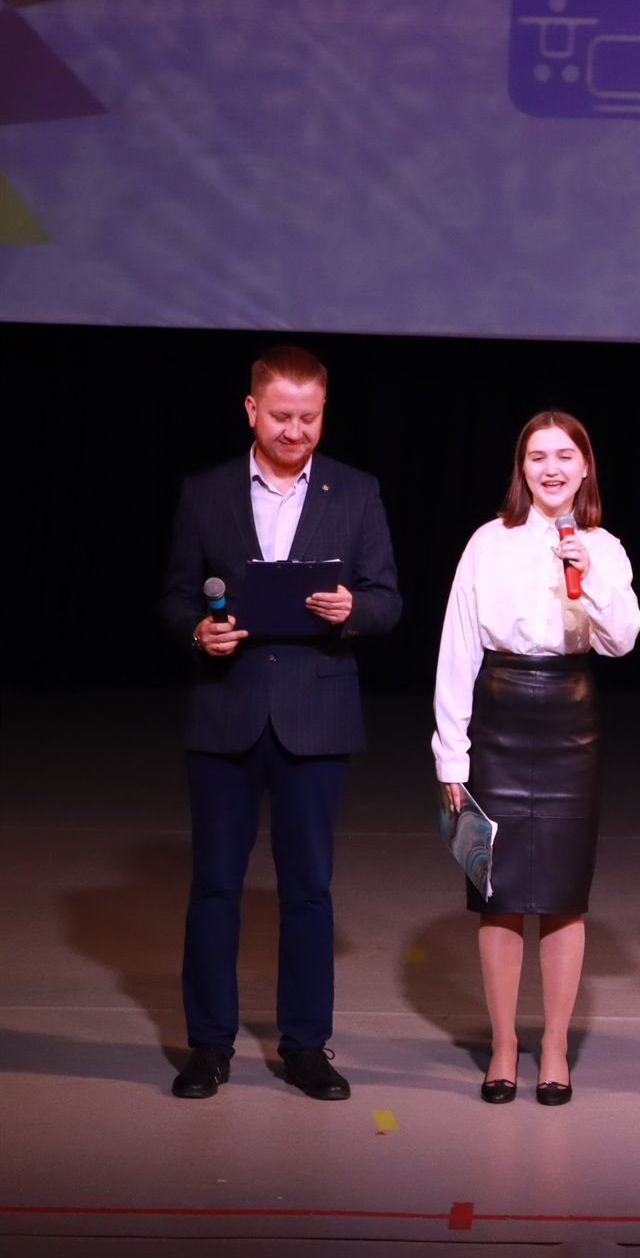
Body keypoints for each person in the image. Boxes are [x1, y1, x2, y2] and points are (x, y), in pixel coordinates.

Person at [160, 345, 402, 1101]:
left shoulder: (355, 491)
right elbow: (174, 597)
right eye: (281, 416)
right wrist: (197, 631)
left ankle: (305, 1047)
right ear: (251, 410)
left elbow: (387, 599)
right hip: (225, 710)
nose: (296, 431)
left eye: (310, 417)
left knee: (308, 890)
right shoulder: (205, 492)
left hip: (315, 716)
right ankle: (209, 1045)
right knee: (214, 887)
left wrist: (352, 609)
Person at [431, 411, 640, 1106]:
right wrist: (451, 755)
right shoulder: (487, 542)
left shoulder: (604, 547)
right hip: (496, 716)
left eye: (564, 456)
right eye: (537, 456)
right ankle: (502, 1045)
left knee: (562, 897)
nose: (551, 468)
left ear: (584, 467)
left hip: (569, 721)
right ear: (522, 468)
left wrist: (588, 572)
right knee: (495, 895)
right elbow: (457, 648)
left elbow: (622, 640)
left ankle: (553, 1044)